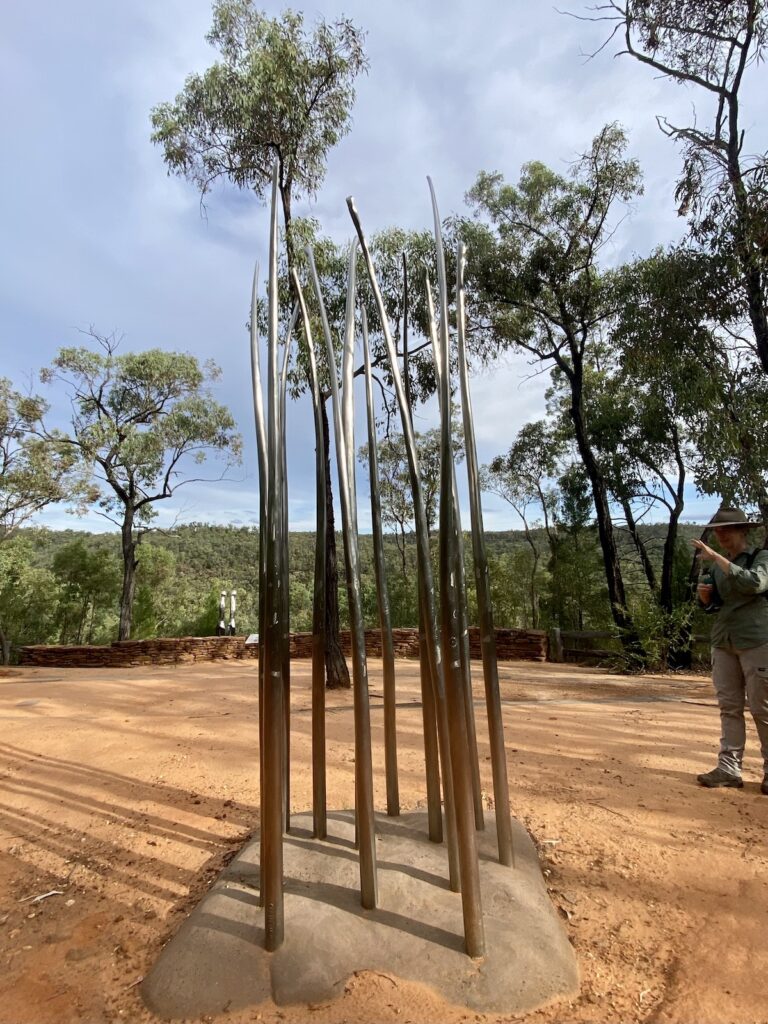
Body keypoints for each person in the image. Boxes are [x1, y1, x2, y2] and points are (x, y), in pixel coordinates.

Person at [693, 506, 768, 793]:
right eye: (717, 531)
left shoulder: (761, 559)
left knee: (762, 708)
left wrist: (718, 560)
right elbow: (713, 606)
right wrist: (704, 598)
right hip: (724, 641)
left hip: (757, 640)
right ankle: (728, 768)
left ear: (743, 530)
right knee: (729, 707)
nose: (721, 535)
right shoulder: (715, 567)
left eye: (727, 529)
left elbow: (755, 584)